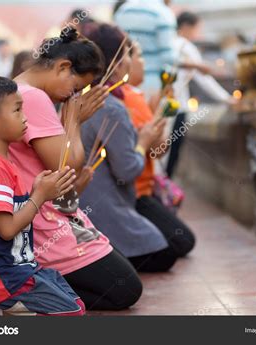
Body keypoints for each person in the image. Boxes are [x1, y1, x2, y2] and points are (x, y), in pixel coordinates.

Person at [9, 27, 142, 310]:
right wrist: (74, 120)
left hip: (43, 215)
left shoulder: (19, 88)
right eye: (77, 86)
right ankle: (29, 288)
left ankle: (32, 285)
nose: (75, 95)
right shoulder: (33, 97)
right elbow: (67, 164)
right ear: (63, 67)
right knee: (126, 289)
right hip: (41, 225)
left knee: (123, 275)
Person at [0, 75, 84, 315]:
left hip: (21, 268)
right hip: (2, 275)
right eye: (17, 110)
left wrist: (41, 191)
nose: (25, 117)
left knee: (76, 304)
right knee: (70, 313)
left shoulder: (3, 163)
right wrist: (39, 197)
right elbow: (7, 229)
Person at [82, 24, 184, 272]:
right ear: (116, 63)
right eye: (130, 54)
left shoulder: (83, 97)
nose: (138, 62)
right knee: (167, 252)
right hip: (109, 206)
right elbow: (127, 170)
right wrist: (142, 142)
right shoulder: (111, 104)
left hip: (89, 204)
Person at [121, 40, 195, 260]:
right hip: (137, 194)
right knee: (181, 242)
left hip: (136, 190)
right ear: (122, 63)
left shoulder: (133, 97)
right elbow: (158, 150)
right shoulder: (130, 98)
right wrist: (160, 118)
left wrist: (154, 112)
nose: (144, 63)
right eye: (140, 57)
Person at [167, 11, 236, 177]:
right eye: (197, 28)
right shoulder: (184, 46)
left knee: (162, 154)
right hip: (177, 107)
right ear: (185, 27)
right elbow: (204, 79)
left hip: (164, 105)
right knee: (171, 154)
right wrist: (227, 98)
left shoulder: (168, 44)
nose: (198, 33)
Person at [114, 0, 177, 98]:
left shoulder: (123, 10)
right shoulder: (162, 13)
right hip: (154, 83)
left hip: (125, 81)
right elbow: (168, 57)